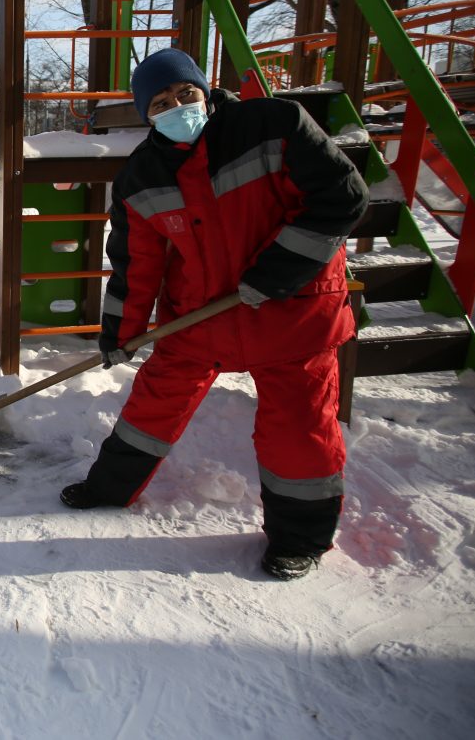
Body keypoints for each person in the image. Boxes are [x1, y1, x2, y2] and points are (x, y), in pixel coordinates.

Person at [59, 48, 369, 581]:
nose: (176, 106)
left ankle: (299, 539)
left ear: (205, 89)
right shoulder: (142, 176)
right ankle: (108, 489)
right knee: (151, 405)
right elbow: (136, 264)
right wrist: (120, 333)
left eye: (185, 93)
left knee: (298, 428)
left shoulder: (274, 124)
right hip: (202, 316)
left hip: (291, 311)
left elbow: (342, 197)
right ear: (146, 115)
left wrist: (279, 269)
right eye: (160, 102)